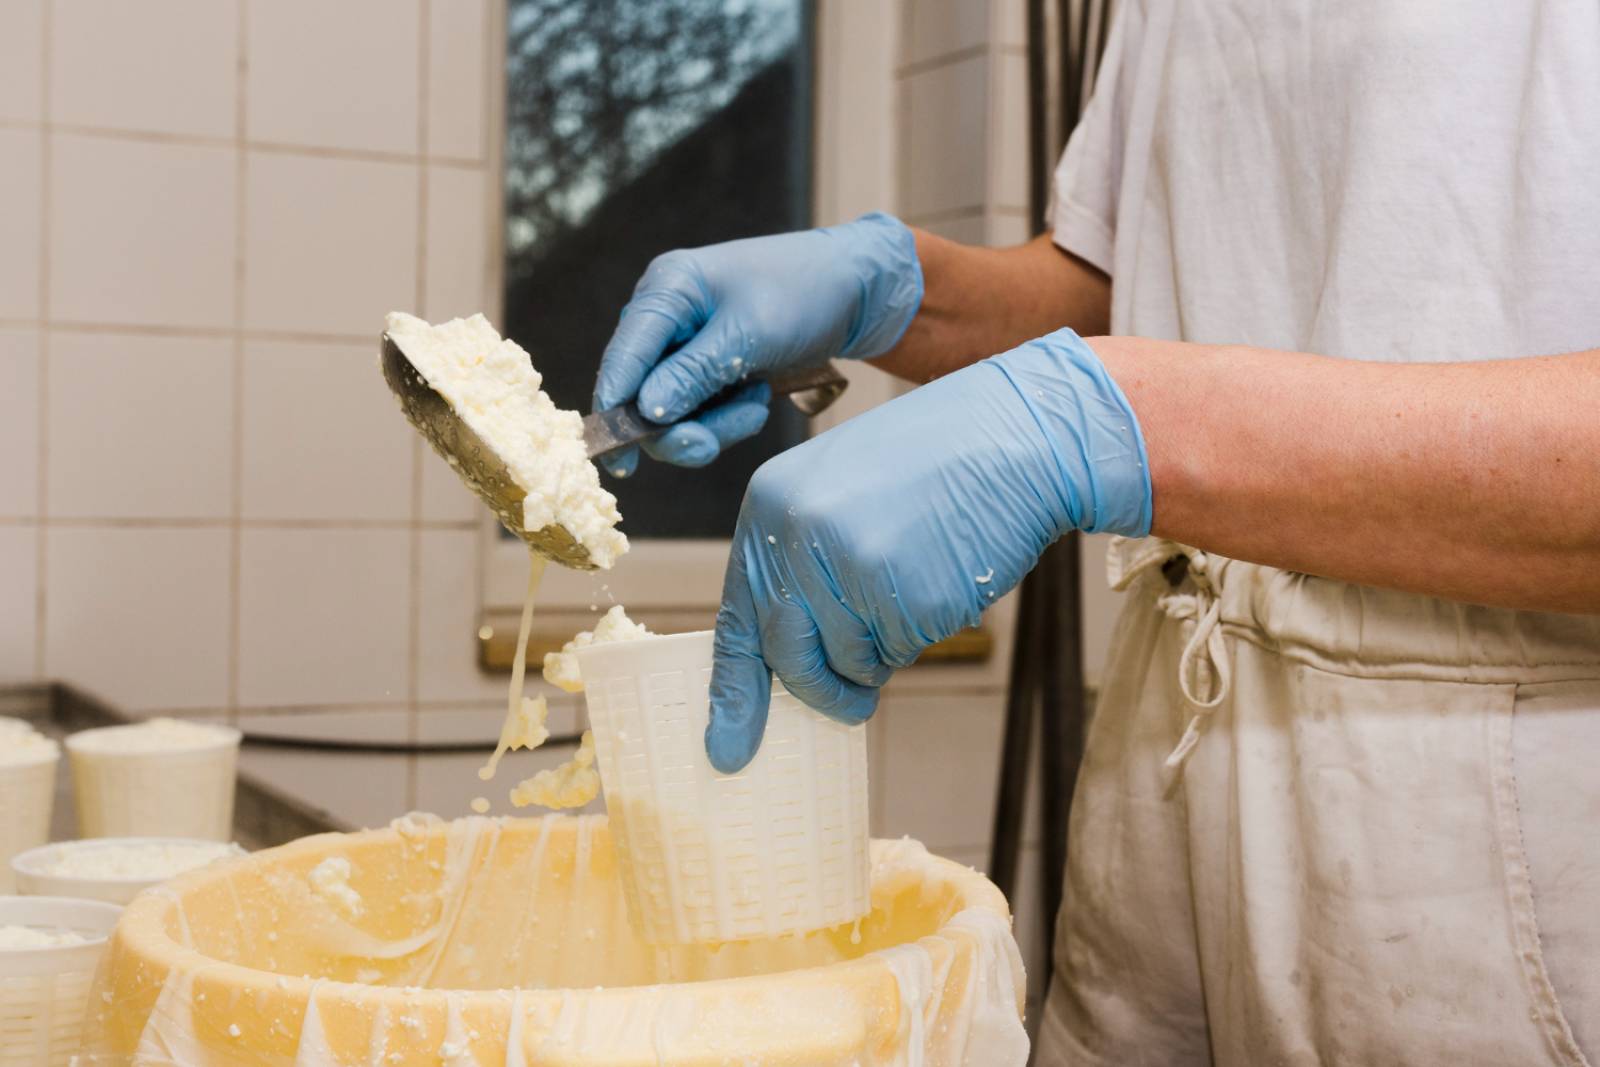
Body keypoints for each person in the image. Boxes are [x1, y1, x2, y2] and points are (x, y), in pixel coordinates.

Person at [592, 2, 1600, 1063]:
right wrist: (892, 296)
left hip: (1494, 799)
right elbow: (1139, 283)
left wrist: (1111, 420)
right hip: (1175, 736)